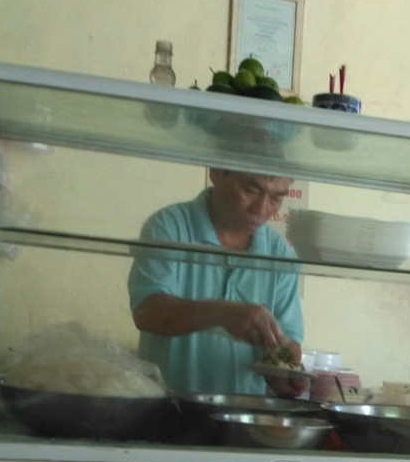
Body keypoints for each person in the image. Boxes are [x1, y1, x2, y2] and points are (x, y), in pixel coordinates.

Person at [127, 167, 305, 397]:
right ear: (217, 173)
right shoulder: (169, 227)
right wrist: (220, 313)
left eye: (276, 198)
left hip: (244, 411)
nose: (261, 209)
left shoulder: (279, 253)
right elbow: (146, 312)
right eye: (250, 190)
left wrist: (283, 373)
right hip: (167, 407)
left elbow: (289, 341)